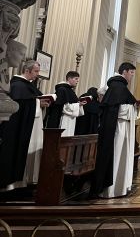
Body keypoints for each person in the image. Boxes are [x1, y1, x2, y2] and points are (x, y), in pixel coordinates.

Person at [91, 62, 140, 198]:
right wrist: (134, 107)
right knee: (116, 155)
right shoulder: (118, 87)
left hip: (119, 128)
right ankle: (112, 189)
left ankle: (119, 187)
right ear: (124, 72)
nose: (132, 76)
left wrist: (134, 106)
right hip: (117, 129)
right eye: (131, 73)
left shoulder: (118, 87)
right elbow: (119, 111)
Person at [0, 60, 48, 189]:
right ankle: (10, 184)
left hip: (26, 126)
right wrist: (38, 103)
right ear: (27, 71)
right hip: (15, 129)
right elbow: (21, 106)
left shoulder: (27, 85)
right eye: (36, 71)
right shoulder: (17, 85)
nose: (37, 74)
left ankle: (21, 182)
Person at [46, 71, 85, 137]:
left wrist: (79, 104)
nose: (77, 81)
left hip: (70, 120)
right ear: (69, 78)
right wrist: (78, 105)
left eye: (78, 79)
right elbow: (63, 107)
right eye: (76, 79)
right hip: (63, 119)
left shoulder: (70, 90)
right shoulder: (62, 89)